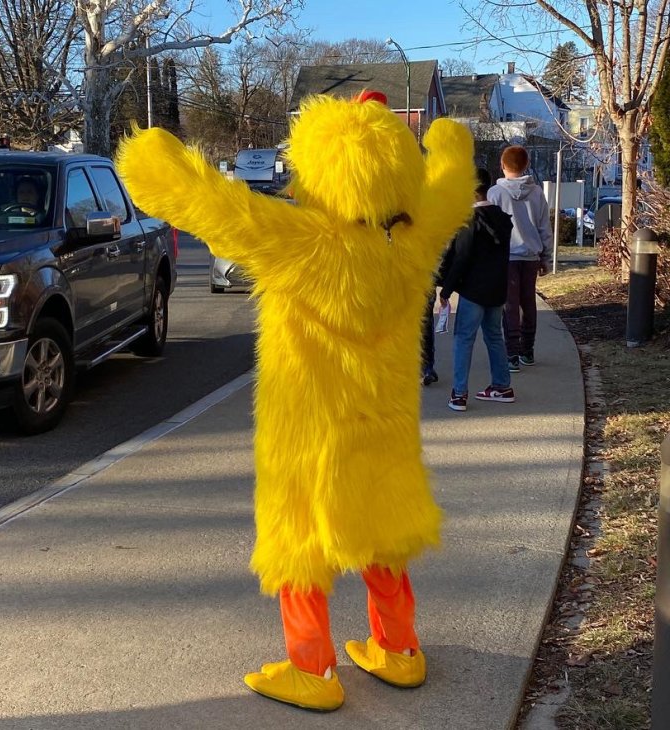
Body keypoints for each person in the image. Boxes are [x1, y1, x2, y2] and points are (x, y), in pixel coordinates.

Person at [116, 90, 476, 712]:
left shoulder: (300, 240)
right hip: (384, 430)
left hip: (308, 432)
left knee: (301, 544)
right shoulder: (412, 241)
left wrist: (155, 158)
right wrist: (447, 144)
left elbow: (215, 208)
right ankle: (399, 650)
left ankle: (312, 668)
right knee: (384, 532)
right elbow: (449, 186)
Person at [440, 167, 516, 412]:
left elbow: (460, 259)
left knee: (464, 339)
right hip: (497, 290)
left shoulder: (468, 223)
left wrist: (445, 291)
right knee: (494, 337)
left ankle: (459, 393)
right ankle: (502, 386)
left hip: (473, 291)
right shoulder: (503, 219)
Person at [487, 145, 553, 371]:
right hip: (531, 256)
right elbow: (545, 227)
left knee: (510, 305)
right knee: (528, 303)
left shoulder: (495, 194)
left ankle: (511, 353)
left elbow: (490, 228)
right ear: (526, 165)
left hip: (506, 257)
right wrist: (546, 256)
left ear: (502, 165)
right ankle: (528, 349)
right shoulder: (536, 193)